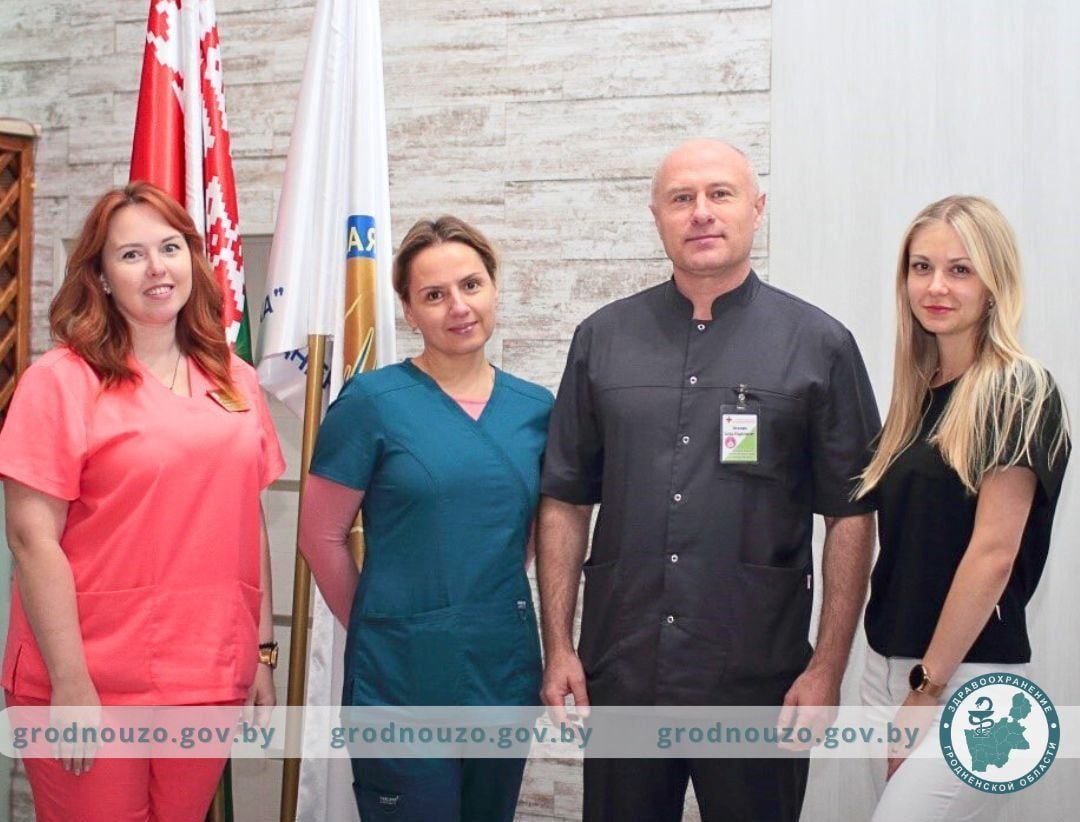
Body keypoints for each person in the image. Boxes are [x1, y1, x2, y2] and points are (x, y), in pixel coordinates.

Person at [536, 138, 881, 822]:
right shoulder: (602, 338)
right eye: (681, 198)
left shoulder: (820, 344)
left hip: (759, 679)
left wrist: (827, 666)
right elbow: (566, 500)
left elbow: (851, 514)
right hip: (624, 671)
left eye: (720, 194)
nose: (701, 212)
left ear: (757, 209)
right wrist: (560, 648)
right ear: (656, 217)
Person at [0, 182, 284, 821]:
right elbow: (30, 539)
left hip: (207, 673)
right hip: (87, 680)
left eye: (170, 247)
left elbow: (249, 520)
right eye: (131, 255)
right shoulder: (60, 381)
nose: (157, 267)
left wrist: (261, 653)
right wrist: (70, 682)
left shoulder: (235, 379)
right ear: (100, 276)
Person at [299, 216, 552, 821]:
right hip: (400, 682)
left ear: (494, 289)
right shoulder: (371, 403)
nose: (458, 307)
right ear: (409, 312)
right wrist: (384, 625)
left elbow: (524, 537)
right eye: (434, 295)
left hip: (500, 670)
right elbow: (319, 536)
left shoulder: (536, 409)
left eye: (471, 285)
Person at [856, 195, 1070, 821]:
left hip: (971, 680)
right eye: (921, 267)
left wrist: (927, 689)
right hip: (888, 665)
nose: (936, 287)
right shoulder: (917, 399)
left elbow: (994, 555)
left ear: (994, 282)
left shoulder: (1018, 389)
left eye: (960, 269)